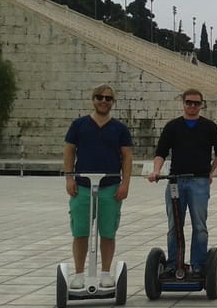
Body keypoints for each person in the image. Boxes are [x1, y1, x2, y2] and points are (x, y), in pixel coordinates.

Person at [148, 88, 217, 278]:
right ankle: (174, 264)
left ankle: (198, 265)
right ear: (183, 103)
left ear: (201, 105)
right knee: (174, 225)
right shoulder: (172, 126)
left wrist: (210, 171)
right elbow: (161, 152)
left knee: (199, 225)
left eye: (196, 103)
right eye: (189, 102)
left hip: (199, 181)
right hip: (176, 181)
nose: (192, 106)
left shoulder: (209, 126)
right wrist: (156, 170)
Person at [63, 83, 133, 288]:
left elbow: (127, 157)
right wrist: (69, 178)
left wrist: (125, 184)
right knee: (80, 232)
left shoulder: (120, 129)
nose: (104, 101)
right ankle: (79, 274)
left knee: (108, 232)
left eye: (108, 98)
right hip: (82, 186)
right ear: (93, 100)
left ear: (113, 102)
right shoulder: (79, 125)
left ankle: (105, 273)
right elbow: (69, 151)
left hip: (110, 187)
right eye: (100, 97)